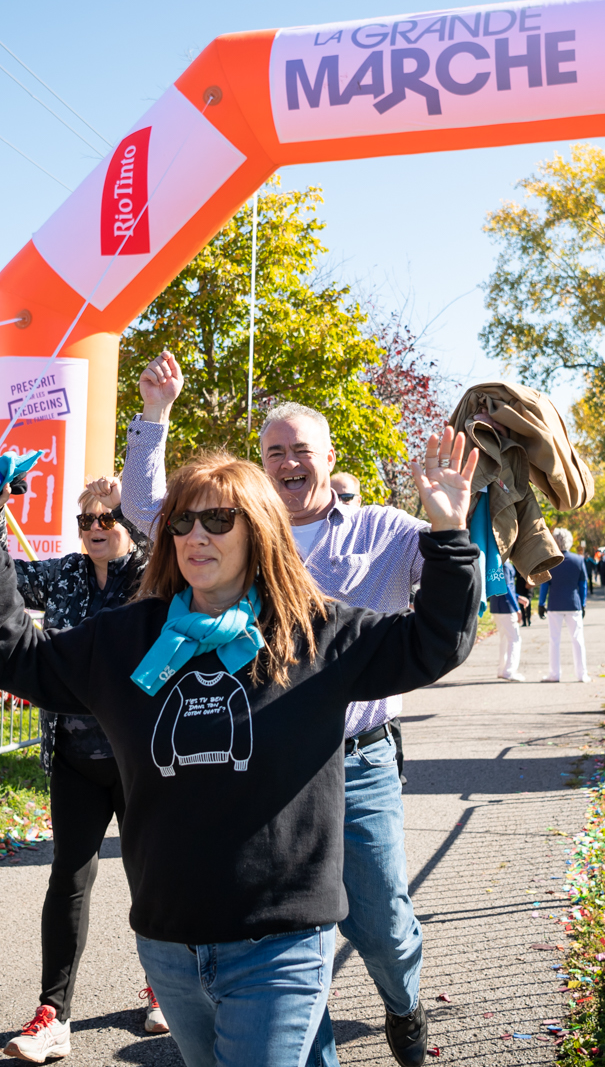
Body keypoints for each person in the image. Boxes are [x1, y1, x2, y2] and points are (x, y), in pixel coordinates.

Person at [0, 432, 482, 1067]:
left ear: (259, 531)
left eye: (218, 519)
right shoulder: (130, 638)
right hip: (169, 944)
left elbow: (434, 642)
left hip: (280, 941)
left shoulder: (312, 634)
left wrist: (451, 535)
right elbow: (20, 658)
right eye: (183, 519)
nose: (195, 534)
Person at [123, 351, 434, 1067]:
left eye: (301, 450)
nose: (288, 462)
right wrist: (155, 416)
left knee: (381, 921)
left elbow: (453, 583)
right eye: (274, 453)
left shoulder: (385, 533)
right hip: (264, 771)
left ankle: (404, 1002)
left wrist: (461, 525)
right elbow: (148, 511)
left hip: (355, 763)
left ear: (329, 456)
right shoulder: (244, 533)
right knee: (290, 940)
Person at [1, 477, 165, 1063]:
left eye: (108, 517)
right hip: (72, 754)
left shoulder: (154, 574)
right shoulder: (66, 572)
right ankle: (54, 1014)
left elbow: (167, 532)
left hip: (136, 755)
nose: (96, 527)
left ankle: (165, 990)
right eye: (86, 519)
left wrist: (135, 505)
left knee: (151, 877)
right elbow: (5, 576)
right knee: (67, 881)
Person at [536, 529, 591, 682]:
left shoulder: (550, 560)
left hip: (554, 604)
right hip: (574, 604)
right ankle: (582, 674)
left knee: (554, 640)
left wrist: (541, 603)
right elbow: (583, 585)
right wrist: (583, 603)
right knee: (578, 640)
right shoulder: (578, 560)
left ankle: (554, 674)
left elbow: (545, 585)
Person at [490, 560, 534, 682]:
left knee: (504, 638)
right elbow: (507, 587)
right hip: (506, 607)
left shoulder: (495, 563)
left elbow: (501, 587)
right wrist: (517, 609)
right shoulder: (506, 565)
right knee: (514, 639)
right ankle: (509, 671)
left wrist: (518, 598)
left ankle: (502, 669)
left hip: (496, 606)